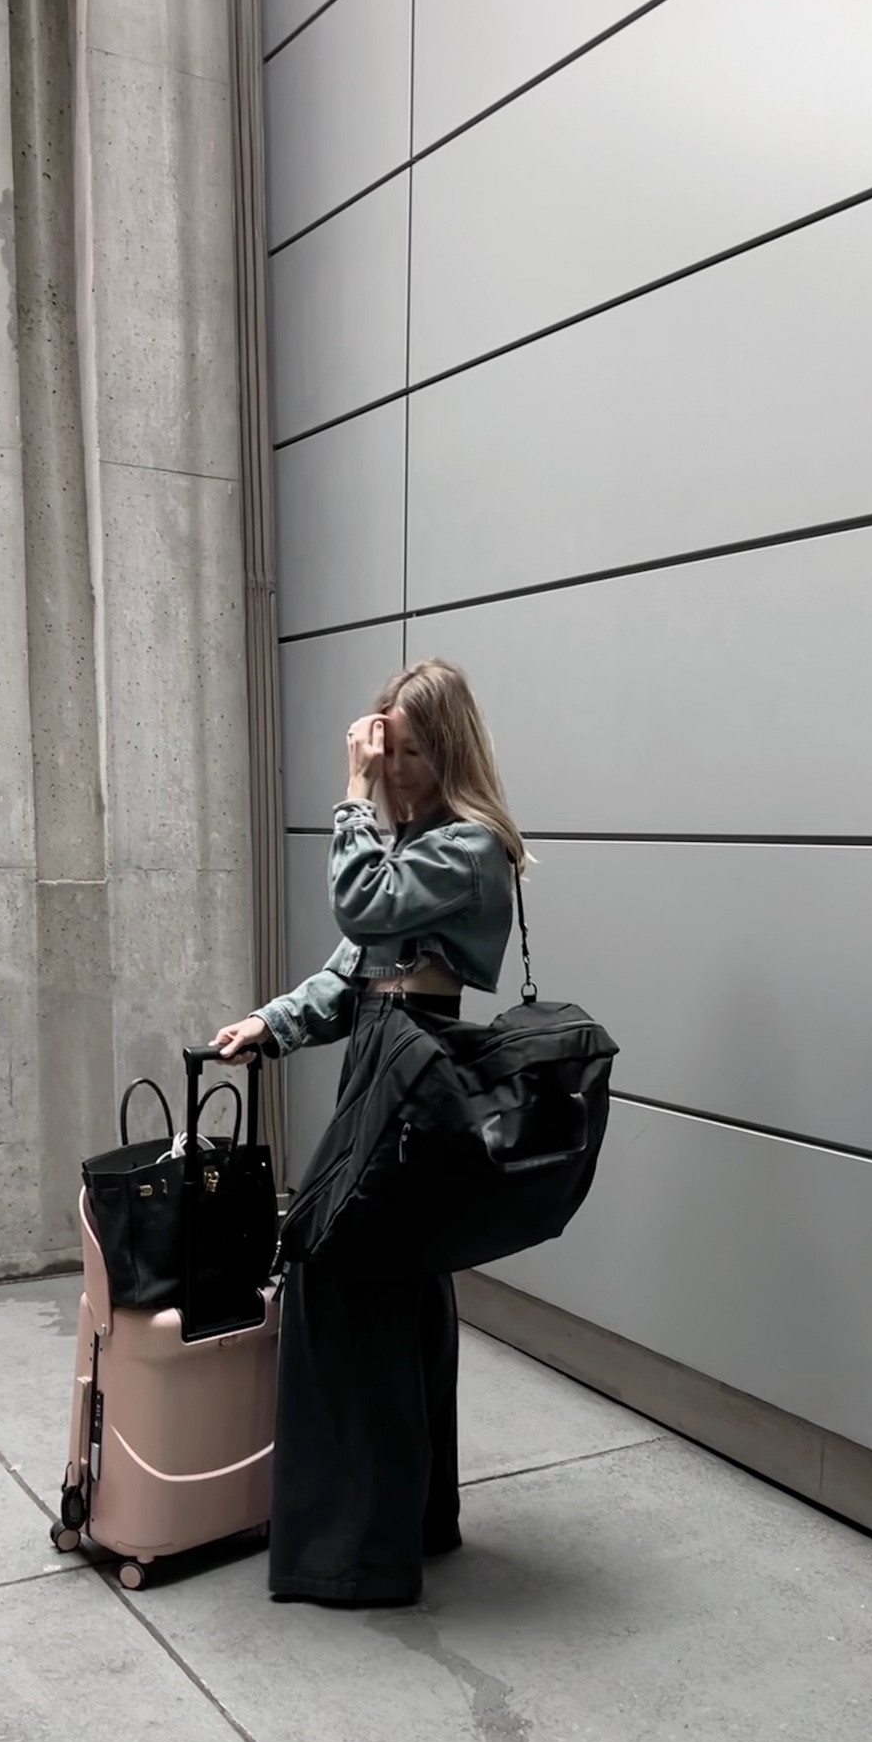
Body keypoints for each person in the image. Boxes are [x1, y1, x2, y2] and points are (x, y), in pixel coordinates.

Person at [211, 659, 527, 1606]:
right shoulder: (419, 844)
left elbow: (360, 907)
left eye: (412, 752)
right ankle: (407, 1525)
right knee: (394, 1285)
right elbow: (356, 968)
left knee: (338, 1273)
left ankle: (353, 1552)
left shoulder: (470, 847)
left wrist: (348, 794)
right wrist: (272, 1023)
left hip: (416, 1067)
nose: (392, 769)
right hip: (383, 1059)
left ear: (450, 752)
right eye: (387, 749)